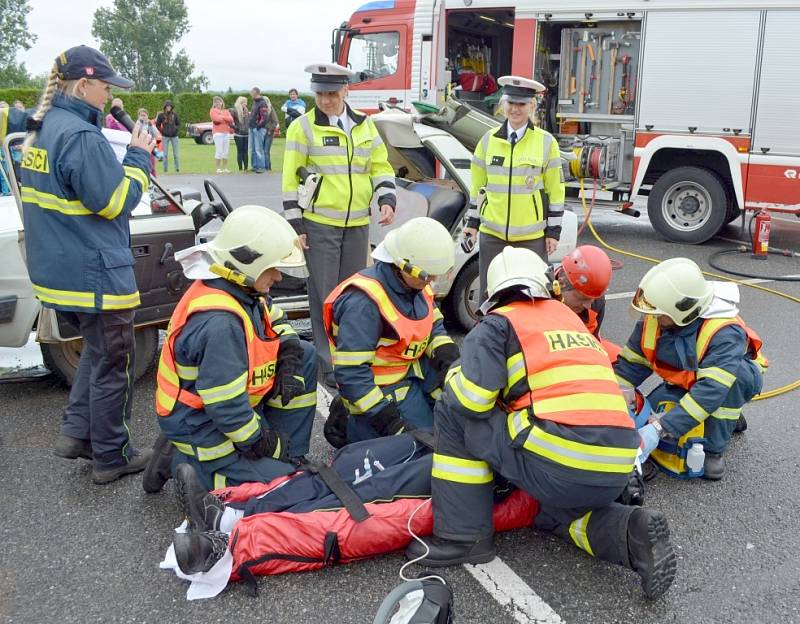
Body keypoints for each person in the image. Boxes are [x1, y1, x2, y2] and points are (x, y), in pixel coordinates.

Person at [405, 246, 677, 599]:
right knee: (550, 510)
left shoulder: (498, 324)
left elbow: (472, 401)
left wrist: (456, 373)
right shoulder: (572, 322)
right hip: (620, 466)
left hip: (561, 464)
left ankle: (463, 536)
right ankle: (630, 533)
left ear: (495, 291)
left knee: (451, 409)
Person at [20, 45, 156, 484]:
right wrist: (137, 156)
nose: (109, 96)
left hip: (61, 272)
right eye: (105, 87)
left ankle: (77, 435)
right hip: (95, 272)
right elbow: (115, 201)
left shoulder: (41, 129)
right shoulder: (80, 135)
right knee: (115, 362)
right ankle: (113, 456)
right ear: (83, 84)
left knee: (98, 355)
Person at [148, 205, 318, 492]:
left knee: (306, 354)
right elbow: (226, 406)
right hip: (202, 423)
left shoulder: (240, 286)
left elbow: (275, 320)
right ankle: (181, 462)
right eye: (272, 268)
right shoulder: (220, 324)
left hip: (221, 409)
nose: (278, 277)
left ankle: (290, 455)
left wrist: (289, 351)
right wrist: (260, 442)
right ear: (249, 264)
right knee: (283, 488)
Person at [282, 63, 397, 387]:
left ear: (346, 90)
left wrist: (387, 199)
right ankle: (329, 365)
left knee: (352, 297)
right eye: (320, 94)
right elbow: (290, 178)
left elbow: (380, 165)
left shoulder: (365, 126)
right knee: (324, 297)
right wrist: (297, 225)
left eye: (332, 94)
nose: (326, 100)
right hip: (320, 225)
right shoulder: (302, 128)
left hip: (358, 223)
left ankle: (352, 358)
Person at [614, 258, 767, 481]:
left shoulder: (724, 332)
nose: (652, 317)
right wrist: (613, 397)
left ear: (682, 310)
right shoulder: (657, 318)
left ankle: (715, 446)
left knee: (728, 389)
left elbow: (711, 391)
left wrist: (660, 427)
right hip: (688, 378)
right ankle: (724, 421)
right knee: (656, 408)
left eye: (659, 312)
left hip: (730, 381)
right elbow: (631, 365)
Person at [322, 217, 459, 445]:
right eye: (427, 275)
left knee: (452, 417)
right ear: (402, 265)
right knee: (425, 445)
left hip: (410, 376)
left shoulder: (415, 283)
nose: (432, 281)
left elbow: (432, 324)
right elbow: (352, 373)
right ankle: (351, 419)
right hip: (378, 392)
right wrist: (388, 421)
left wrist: (446, 354)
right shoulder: (363, 303)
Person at [463, 76, 566, 301]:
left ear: (532, 106)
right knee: (491, 297)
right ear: (503, 104)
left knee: (533, 297)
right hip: (493, 236)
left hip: (532, 238)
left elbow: (556, 192)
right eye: (510, 103)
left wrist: (553, 232)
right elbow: (478, 188)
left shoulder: (547, 142)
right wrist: (472, 224)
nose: (515, 109)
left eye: (521, 104)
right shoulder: (488, 141)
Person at [554, 245, 621, 361]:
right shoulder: (537, 300)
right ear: (561, 284)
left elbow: (593, 342)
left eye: (592, 300)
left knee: (618, 358)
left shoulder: (595, 299)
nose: (588, 306)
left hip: (580, 353)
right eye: (583, 299)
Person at [248, 87, 272, 173]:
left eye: (251, 92)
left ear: (256, 92)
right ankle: (255, 166)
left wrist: (258, 126)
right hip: (252, 127)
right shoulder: (255, 102)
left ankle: (262, 167)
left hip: (259, 129)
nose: (250, 93)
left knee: (259, 149)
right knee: (253, 149)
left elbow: (264, 117)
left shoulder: (262, 103)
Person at [209, 96, 233, 173]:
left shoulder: (226, 111)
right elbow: (216, 119)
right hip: (218, 133)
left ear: (222, 103)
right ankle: (218, 168)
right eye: (216, 102)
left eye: (219, 102)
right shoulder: (213, 110)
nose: (218, 103)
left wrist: (222, 117)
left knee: (226, 151)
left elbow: (231, 119)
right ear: (214, 104)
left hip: (226, 133)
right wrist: (225, 118)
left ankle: (225, 168)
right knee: (219, 150)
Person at [155, 100, 180, 173]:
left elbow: (178, 124)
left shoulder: (175, 115)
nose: (168, 107)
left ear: (171, 107)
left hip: (174, 136)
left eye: (169, 106)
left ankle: (177, 169)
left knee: (176, 154)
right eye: (167, 106)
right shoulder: (161, 115)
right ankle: (165, 169)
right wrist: (162, 131)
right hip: (165, 136)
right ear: (165, 107)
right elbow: (157, 124)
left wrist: (176, 130)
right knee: (165, 154)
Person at [136, 108, 160, 175]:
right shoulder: (137, 124)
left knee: (152, 166)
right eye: (141, 115)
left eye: (144, 115)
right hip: (140, 147)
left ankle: (154, 180)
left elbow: (156, 133)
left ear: (147, 116)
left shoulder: (150, 124)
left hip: (150, 147)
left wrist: (151, 125)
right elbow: (138, 132)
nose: (143, 117)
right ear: (138, 116)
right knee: (141, 165)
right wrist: (141, 123)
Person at [230, 96, 249, 172]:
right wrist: (237, 128)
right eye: (244, 102)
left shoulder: (246, 111)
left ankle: (246, 169)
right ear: (240, 102)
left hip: (247, 134)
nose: (245, 104)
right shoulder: (234, 111)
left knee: (246, 151)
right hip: (238, 135)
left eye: (246, 102)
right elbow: (230, 122)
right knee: (240, 151)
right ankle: (240, 168)